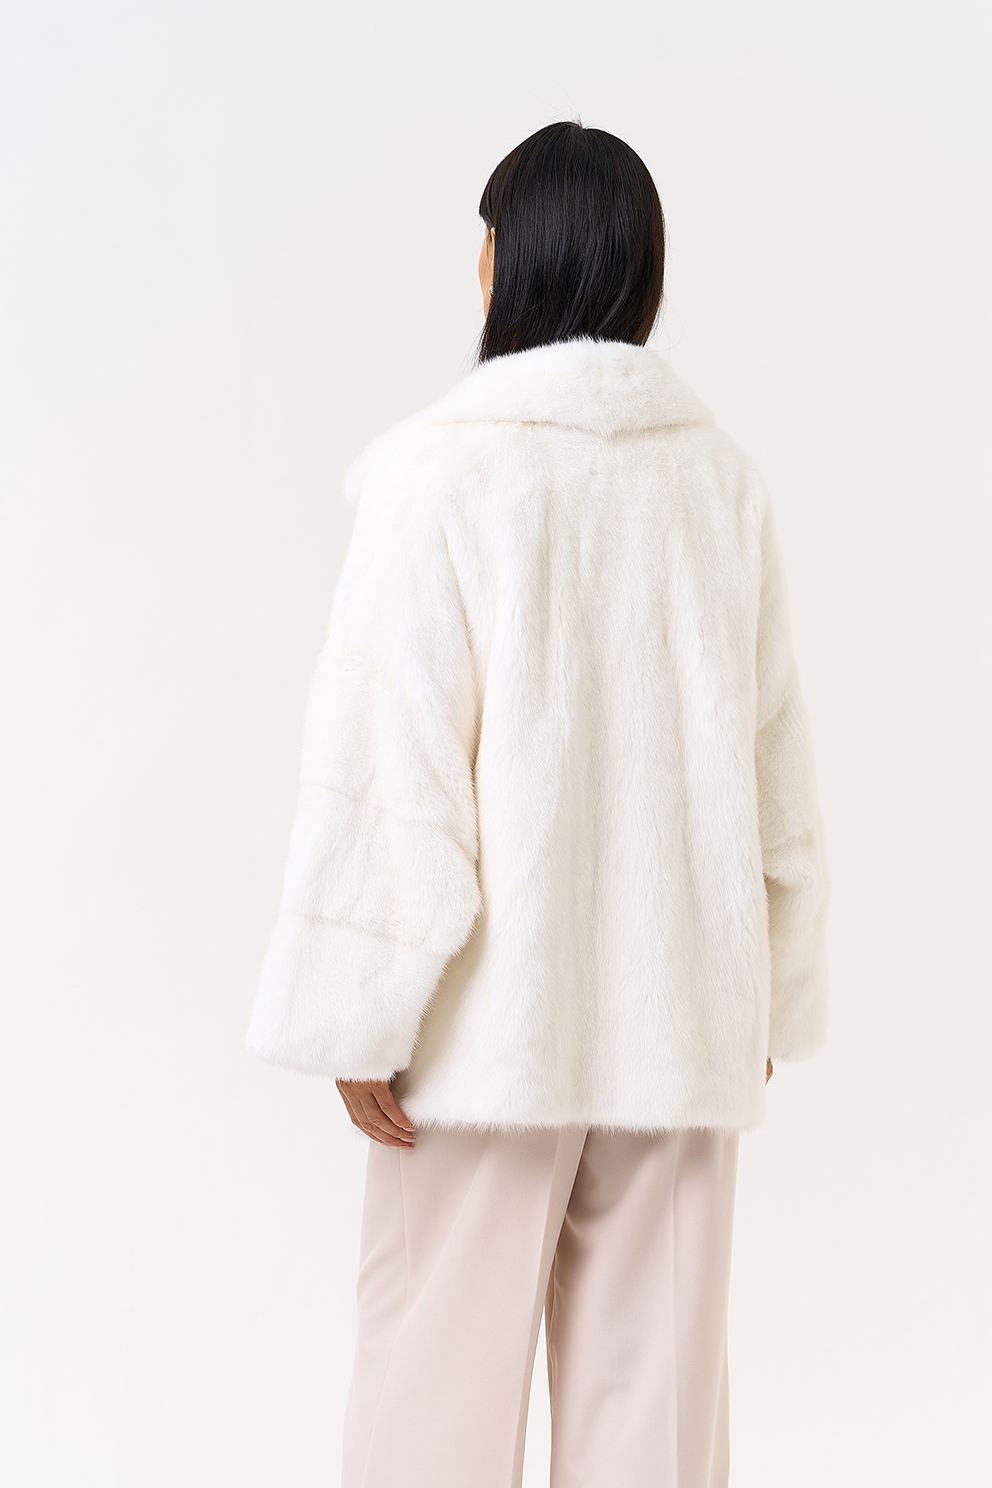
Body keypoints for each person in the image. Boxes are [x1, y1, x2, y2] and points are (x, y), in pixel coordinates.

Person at [246, 120, 829, 1488]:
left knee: (430, 1405)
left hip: (482, 1036)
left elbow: (395, 763)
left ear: (508, 263)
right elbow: (773, 756)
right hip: (681, 1018)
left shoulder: (442, 473)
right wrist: (763, 981)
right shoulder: (716, 481)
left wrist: (362, 1008)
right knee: (656, 1418)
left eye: (485, 242)